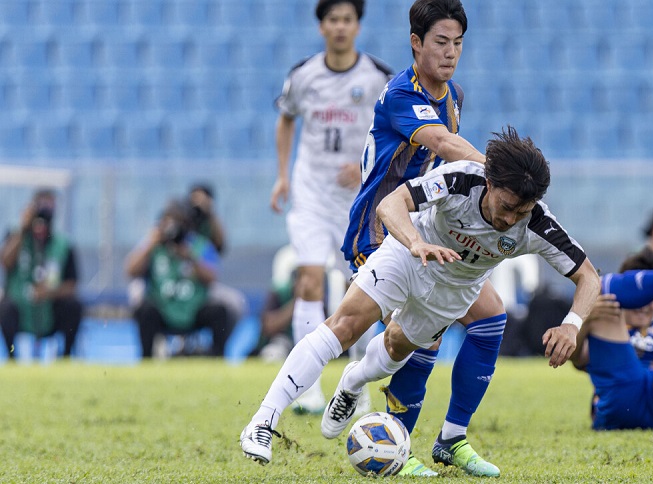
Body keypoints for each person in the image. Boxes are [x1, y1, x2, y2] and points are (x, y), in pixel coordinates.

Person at [240, 127, 601, 477]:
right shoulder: (461, 178)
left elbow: (589, 277)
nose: (509, 220)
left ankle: (353, 381)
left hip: (451, 294)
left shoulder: (537, 224)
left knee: (391, 356)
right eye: (506, 206)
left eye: (520, 212)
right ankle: (262, 421)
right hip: (408, 256)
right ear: (489, 184)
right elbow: (391, 203)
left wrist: (572, 324)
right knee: (345, 326)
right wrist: (415, 241)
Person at [340, 0, 508, 476]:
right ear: (416, 43)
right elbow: (443, 144)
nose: (451, 52)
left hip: (429, 227)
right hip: (380, 229)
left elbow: (447, 169)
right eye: (440, 42)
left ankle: (451, 439)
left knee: (491, 316)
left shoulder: (454, 96)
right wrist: (504, 172)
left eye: (458, 43)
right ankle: (399, 443)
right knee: (421, 337)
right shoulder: (401, 94)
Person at [270, 0, 394, 414]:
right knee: (308, 277)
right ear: (322, 26)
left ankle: (354, 382)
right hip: (310, 193)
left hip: (356, 199)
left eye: (347, 20)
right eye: (333, 20)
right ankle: (307, 388)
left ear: (357, 26)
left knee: (361, 287)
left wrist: (365, 170)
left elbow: (396, 133)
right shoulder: (304, 75)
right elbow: (286, 121)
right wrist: (283, 178)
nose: (340, 27)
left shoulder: (377, 76)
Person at [570, 220, 653, 430]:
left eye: (650, 299)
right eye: (638, 298)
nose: (643, 306)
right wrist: (587, 319)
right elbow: (577, 358)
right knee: (601, 302)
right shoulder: (605, 320)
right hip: (622, 398)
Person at [126, 199, 232, 358]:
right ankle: (146, 357)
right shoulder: (154, 244)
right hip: (163, 306)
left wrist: (190, 257)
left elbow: (212, 276)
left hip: (193, 307)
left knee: (219, 311)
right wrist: (151, 244)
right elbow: (130, 270)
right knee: (145, 309)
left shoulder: (198, 244)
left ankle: (217, 357)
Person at [0, 189, 83, 359]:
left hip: (50, 306)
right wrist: (23, 228)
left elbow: (73, 284)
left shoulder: (62, 244)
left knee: (73, 306)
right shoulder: (16, 236)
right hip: (21, 304)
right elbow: (5, 262)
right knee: (5, 307)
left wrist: (49, 293)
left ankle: (65, 356)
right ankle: (12, 357)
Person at [187, 182, 249, 325]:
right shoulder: (181, 217)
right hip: (174, 284)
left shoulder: (210, 225)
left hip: (202, 286)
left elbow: (221, 245)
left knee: (237, 303)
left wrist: (208, 211)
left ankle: (219, 345)